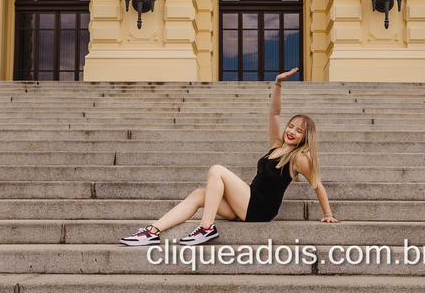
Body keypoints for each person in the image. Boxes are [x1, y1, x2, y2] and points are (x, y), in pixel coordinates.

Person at [120, 67, 339, 247]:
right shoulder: (276, 146)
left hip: (260, 207)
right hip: (247, 202)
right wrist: (278, 83)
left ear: (305, 138)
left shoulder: (300, 158)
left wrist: (328, 213)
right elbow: (274, 114)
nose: (291, 131)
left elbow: (317, 185)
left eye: (299, 131)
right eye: (291, 126)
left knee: (216, 170)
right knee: (199, 195)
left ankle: (206, 228)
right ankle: (152, 232)